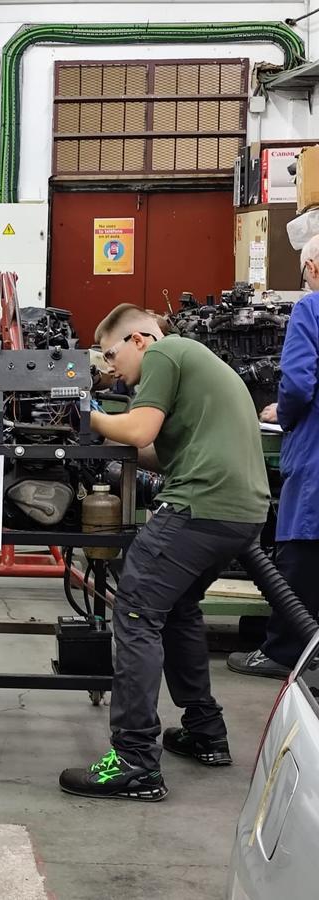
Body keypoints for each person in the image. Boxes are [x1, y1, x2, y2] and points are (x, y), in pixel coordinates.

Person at [58, 304, 270, 801]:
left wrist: (84, 413)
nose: (111, 369)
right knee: (176, 612)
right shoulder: (198, 362)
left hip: (200, 506)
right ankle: (205, 733)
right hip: (239, 512)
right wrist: (104, 425)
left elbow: (138, 432)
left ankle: (133, 761)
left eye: (111, 355)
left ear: (137, 340)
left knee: (134, 612)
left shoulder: (166, 352)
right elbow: (154, 450)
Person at [228, 234, 319, 678]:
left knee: (301, 550)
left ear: (314, 269)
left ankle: (285, 652)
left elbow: (299, 384)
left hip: (316, 456)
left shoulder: (311, 308)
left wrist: (280, 412)